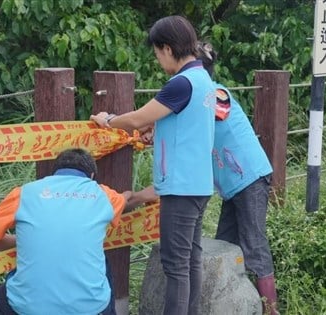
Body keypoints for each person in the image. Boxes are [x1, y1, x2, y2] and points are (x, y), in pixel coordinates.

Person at [91, 15, 216, 315]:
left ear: (168, 48)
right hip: (199, 183)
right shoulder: (203, 79)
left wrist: (107, 120)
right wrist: (157, 133)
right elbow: (183, 125)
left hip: (180, 187)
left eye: (158, 53)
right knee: (190, 261)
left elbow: (137, 118)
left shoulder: (181, 83)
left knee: (175, 266)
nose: (159, 60)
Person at [0, 148, 158, 315]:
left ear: (54, 173)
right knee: (103, 264)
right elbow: (126, 199)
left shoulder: (25, 192)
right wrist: (143, 195)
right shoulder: (104, 195)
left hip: (26, 308)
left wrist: (23, 241)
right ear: (92, 176)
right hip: (89, 309)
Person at [196, 41, 279, 315]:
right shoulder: (198, 96)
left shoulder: (215, 92)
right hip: (234, 185)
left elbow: (217, 112)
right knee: (225, 242)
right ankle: (233, 302)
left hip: (250, 178)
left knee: (253, 242)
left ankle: (270, 308)